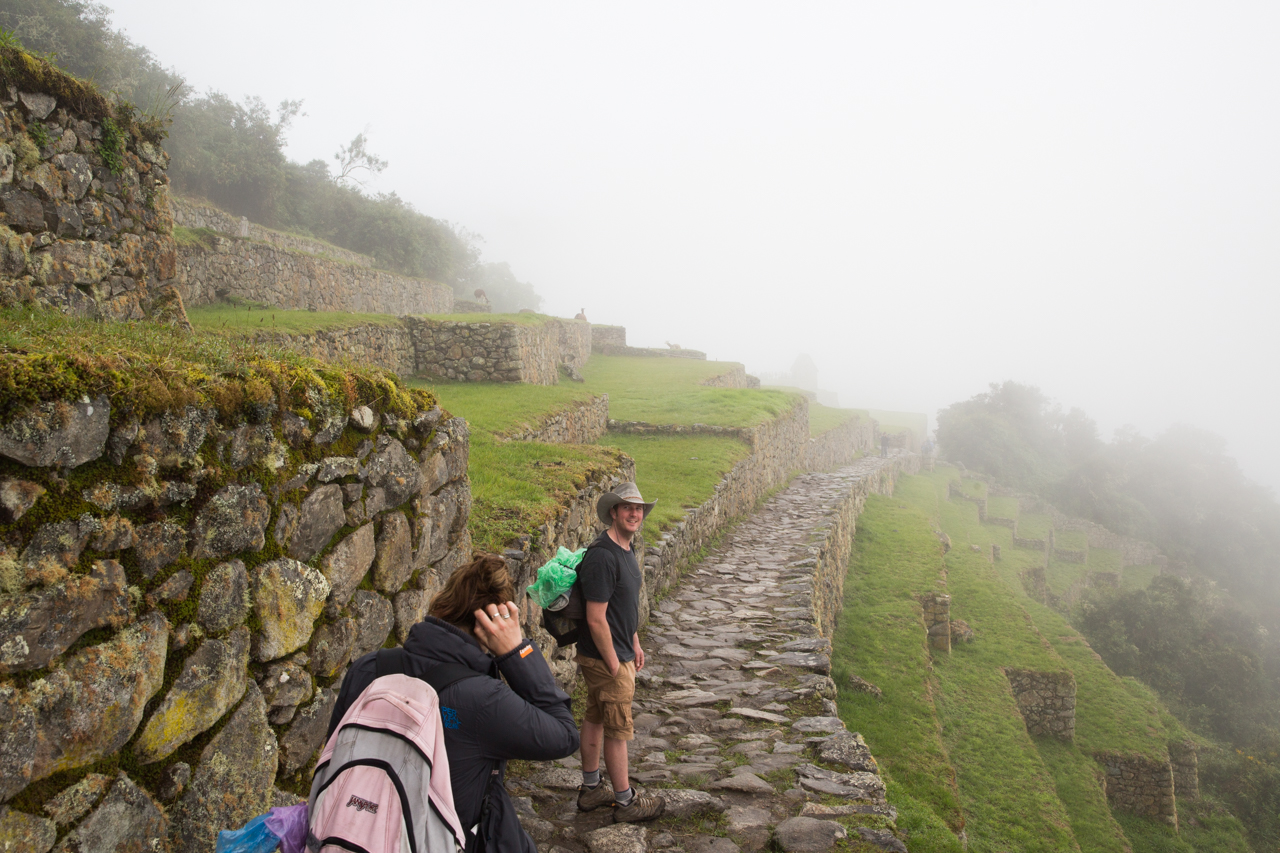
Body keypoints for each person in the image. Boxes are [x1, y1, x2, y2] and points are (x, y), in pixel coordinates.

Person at [327, 555, 579, 853]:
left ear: (442, 603)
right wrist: (518, 653)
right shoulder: (485, 700)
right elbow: (564, 735)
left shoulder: (369, 668)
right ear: (496, 622)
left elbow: (333, 757)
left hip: (353, 833)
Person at [574, 483, 666, 822]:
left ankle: (590, 789)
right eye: (627, 508)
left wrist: (635, 640)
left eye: (639, 509)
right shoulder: (602, 555)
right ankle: (625, 803)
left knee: (596, 717)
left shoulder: (625, 548)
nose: (634, 514)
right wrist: (614, 663)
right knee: (618, 728)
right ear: (614, 512)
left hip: (619, 650)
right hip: (606, 657)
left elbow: (623, 605)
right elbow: (596, 618)